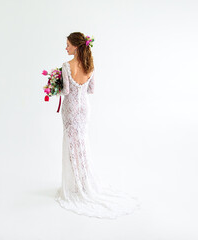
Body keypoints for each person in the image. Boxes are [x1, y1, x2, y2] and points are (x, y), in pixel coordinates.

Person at [55, 32, 141, 219]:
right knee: (83, 145)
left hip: (70, 110)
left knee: (71, 146)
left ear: (76, 47)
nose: (66, 48)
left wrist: (54, 85)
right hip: (84, 109)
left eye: (68, 44)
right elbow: (91, 89)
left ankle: (74, 185)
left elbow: (66, 91)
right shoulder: (90, 66)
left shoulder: (65, 66)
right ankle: (84, 183)